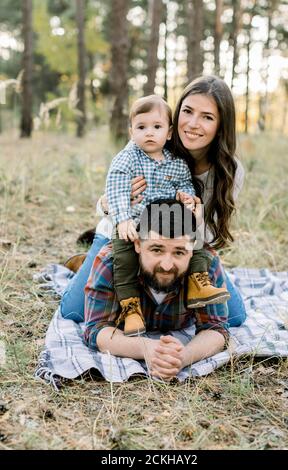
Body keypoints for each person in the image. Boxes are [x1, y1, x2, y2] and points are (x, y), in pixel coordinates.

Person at [61, 75, 246, 328]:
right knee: (74, 312)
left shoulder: (229, 170)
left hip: (182, 247)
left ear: (221, 124)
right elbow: (110, 195)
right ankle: (93, 264)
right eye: (188, 111)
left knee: (234, 317)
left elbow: (210, 236)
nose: (193, 124)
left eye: (207, 117)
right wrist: (109, 205)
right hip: (125, 235)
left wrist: (197, 222)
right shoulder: (149, 138)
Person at [105, 94, 229, 337]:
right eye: (141, 127)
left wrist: (187, 198)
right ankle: (130, 308)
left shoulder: (176, 162)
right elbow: (115, 189)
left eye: (157, 127)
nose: (149, 133)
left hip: (170, 226)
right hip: (135, 224)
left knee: (197, 246)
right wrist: (122, 218)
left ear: (169, 133)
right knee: (124, 260)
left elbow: (185, 185)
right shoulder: (127, 158)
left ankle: (198, 283)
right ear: (131, 131)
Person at [84, 199, 229, 380]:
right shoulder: (111, 262)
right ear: (137, 244)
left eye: (179, 252)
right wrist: (146, 348)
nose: (167, 266)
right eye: (157, 250)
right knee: (71, 311)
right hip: (112, 252)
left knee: (237, 316)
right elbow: (96, 329)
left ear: (193, 249)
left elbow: (216, 328)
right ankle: (82, 261)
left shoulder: (206, 263)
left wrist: (181, 357)